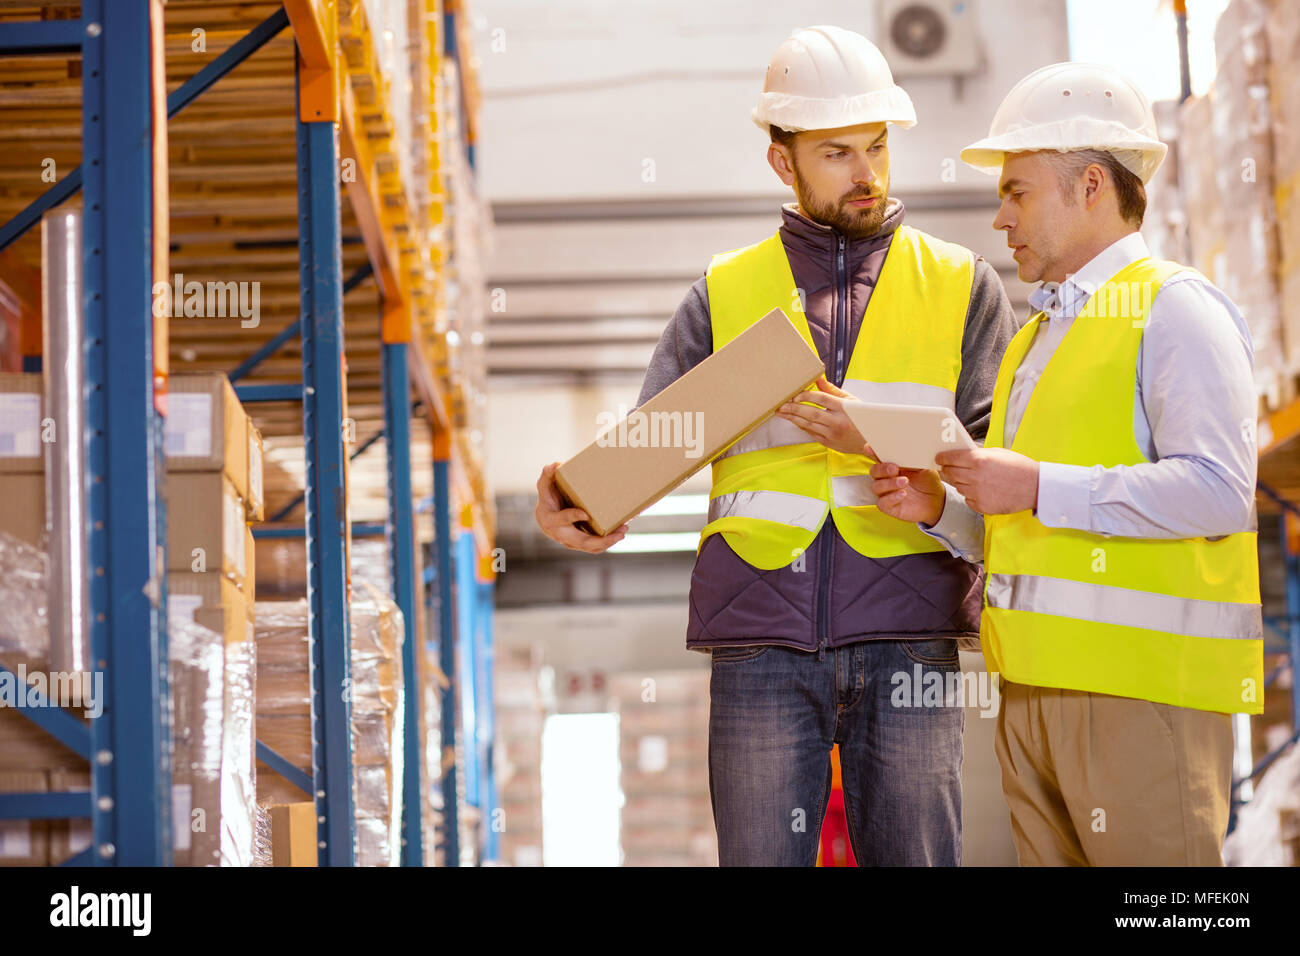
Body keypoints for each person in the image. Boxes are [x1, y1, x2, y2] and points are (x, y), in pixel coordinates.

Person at [536, 25, 1017, 866]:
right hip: (759, 633)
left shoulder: (961, 285)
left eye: (876, 147)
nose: (866, 172)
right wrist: (567, 492)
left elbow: (1001, 479)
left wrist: (923, 482)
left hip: (908, 630)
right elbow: (644, 448)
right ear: (781, 162)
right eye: (836, 153)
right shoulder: (724, 293)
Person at [869, 62, 1264, 866]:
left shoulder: (1176, 307)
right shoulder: (1032, 341)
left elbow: (1223, 491)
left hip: (1142, 697)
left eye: (1016, 191)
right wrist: (943, 509)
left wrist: (1040, 486)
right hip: (1032, 696)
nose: (999, 218)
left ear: (1091, 184)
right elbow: (1030, 521)